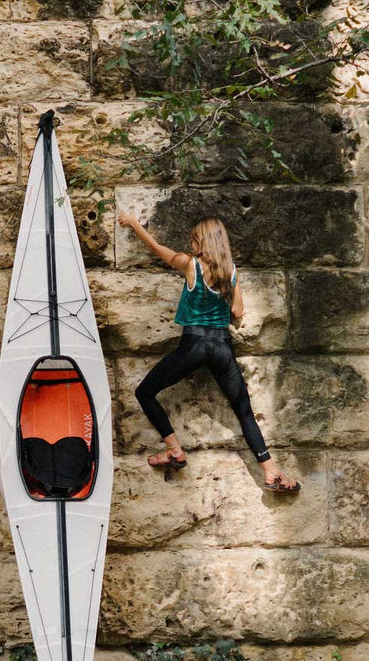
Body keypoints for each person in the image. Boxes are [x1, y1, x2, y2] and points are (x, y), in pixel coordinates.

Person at [117, 211, 300, 493]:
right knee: (244, 412)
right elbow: (238, 311)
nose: (191, 243)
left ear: (202, 241)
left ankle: (174, 450)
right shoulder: (231, 272)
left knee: (144, 392)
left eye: (194, 238)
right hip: (222, 347)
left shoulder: (191, 265)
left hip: (194, 345)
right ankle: (270, 470)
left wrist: (133, 224)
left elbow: (156, 249)